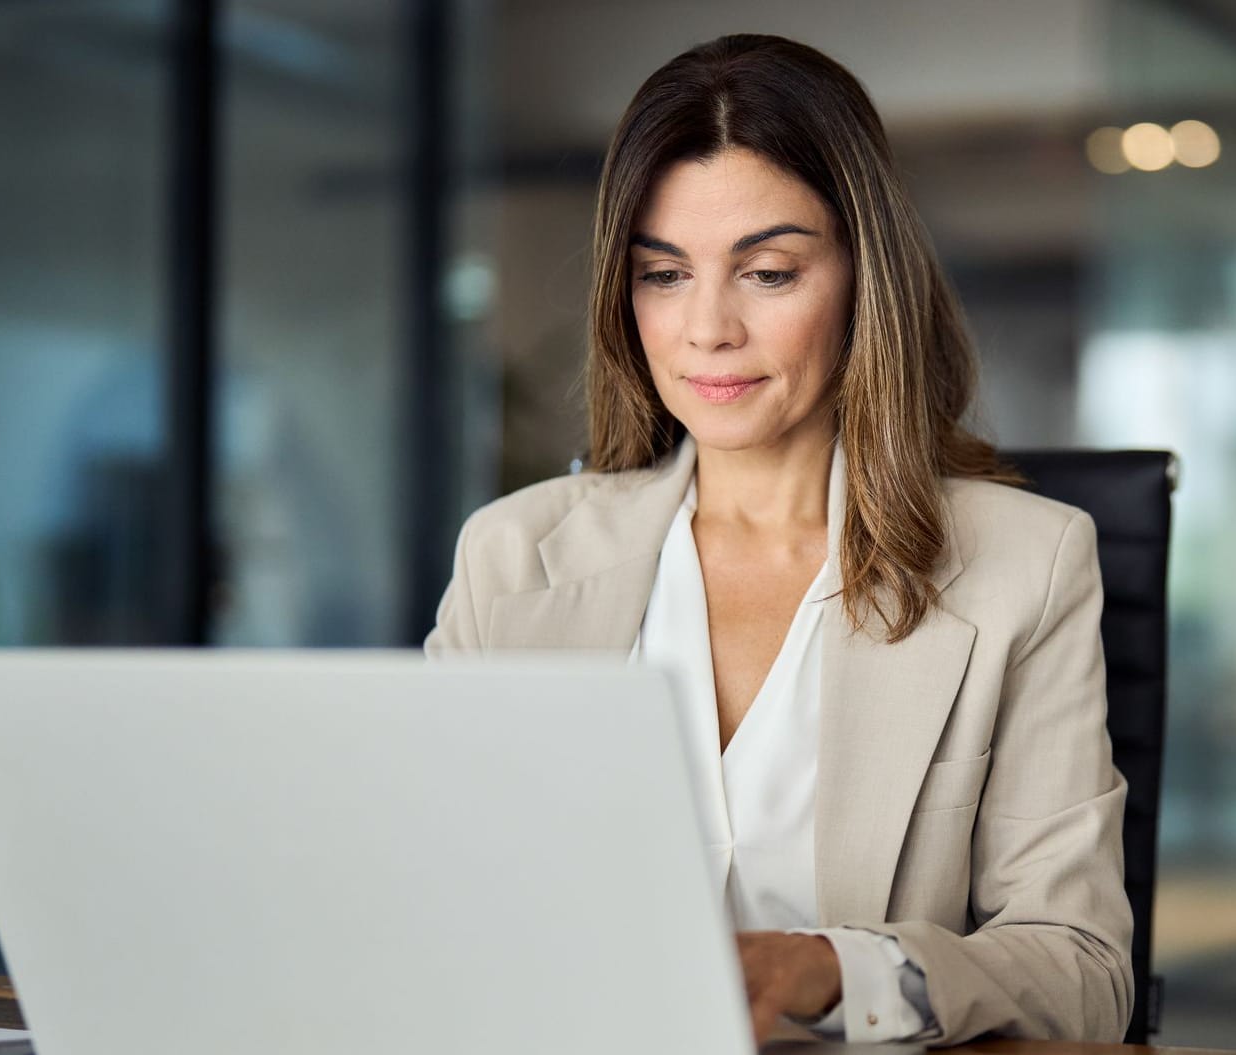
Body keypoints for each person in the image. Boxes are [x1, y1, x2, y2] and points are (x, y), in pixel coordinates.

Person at [425, 33, 1132, 1047]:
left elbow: (1083, 969)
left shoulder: (1025, 564)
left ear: (859, 279)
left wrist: (829, 968)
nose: (706, 327)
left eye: (765, 272)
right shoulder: (511, 556)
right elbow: (420, 892)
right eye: (663, 275)